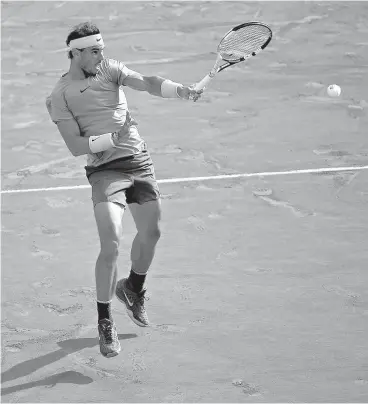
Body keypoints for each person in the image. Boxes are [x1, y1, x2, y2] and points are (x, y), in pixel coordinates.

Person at [46, 22, 202, 358]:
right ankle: (105, 321)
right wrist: (111, 139)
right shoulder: (60, 96)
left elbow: (147, 83)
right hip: (104, 171)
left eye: (102, 49)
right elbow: (75, 146)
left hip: (138, 162)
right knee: (111, 240)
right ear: (75, 52)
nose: (101, 55)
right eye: (94, 51)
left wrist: (180, 90)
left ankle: (133, 288)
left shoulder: (111, 69)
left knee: (152, 232)